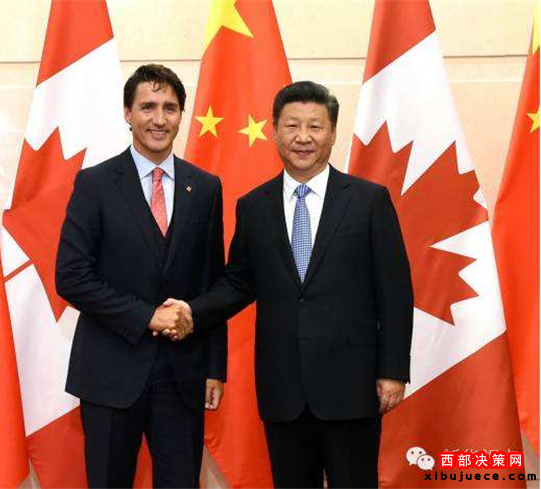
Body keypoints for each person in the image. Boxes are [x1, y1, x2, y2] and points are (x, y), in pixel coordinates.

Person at [163, 81, 414, 488]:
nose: (303, 137)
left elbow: (395, 292)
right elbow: (238, 283)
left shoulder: (368, 201)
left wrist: (393, 370)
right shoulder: (254, 206)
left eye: (315, 126)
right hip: (283, 388)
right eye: (292, 125)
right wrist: (192, 310)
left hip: (352, 385)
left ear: (332, 133)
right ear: (274, 131)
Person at [55, 64, 227, 488]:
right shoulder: (94, 184)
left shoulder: (206, 187)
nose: (159, 118)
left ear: (181, 115)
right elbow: (72, 276)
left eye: (170, 107)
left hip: (183, 375)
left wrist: (215, 367)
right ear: (128, 114)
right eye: (148, 106)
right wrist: (147, 315)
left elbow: (213, 283)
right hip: (109, 372)